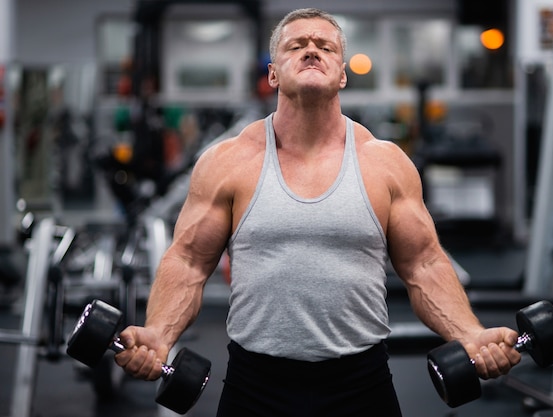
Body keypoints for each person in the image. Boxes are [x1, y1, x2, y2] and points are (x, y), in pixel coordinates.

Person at [114, 8, 521, 416]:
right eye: (297, 46)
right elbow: (188, 262)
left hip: (361, 384)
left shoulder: (385, 163)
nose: (312, 51)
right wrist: (158, 335)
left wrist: (470, 333)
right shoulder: (227, 161)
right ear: (273, 74)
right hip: (255, 385)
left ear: (342, 74)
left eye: (325, 47)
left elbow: (425, 265)